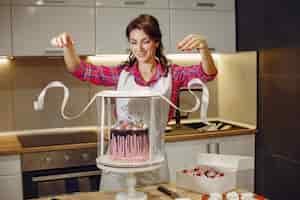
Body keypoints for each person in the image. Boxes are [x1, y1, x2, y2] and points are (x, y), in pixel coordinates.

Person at [51, 14, 217, 191]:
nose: (139, 48)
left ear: (156, 42)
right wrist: (68, 47)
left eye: (145, 41)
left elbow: (207, 73)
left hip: (154, 160)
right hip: (119, 161)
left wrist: (203, 48)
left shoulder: (172, 74)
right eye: (133, 42)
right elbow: (79, 69)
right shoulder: (121, 74)